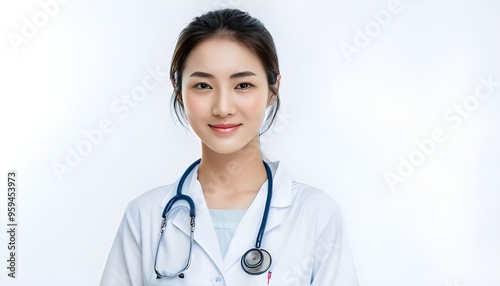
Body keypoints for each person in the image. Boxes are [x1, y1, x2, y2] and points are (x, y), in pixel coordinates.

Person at [100, 8, 359, 286]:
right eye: (203, 85)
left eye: (243, 85)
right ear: (178, 89)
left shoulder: (315, 215)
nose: (223, 108)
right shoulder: (145, 216)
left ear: (273, 89)